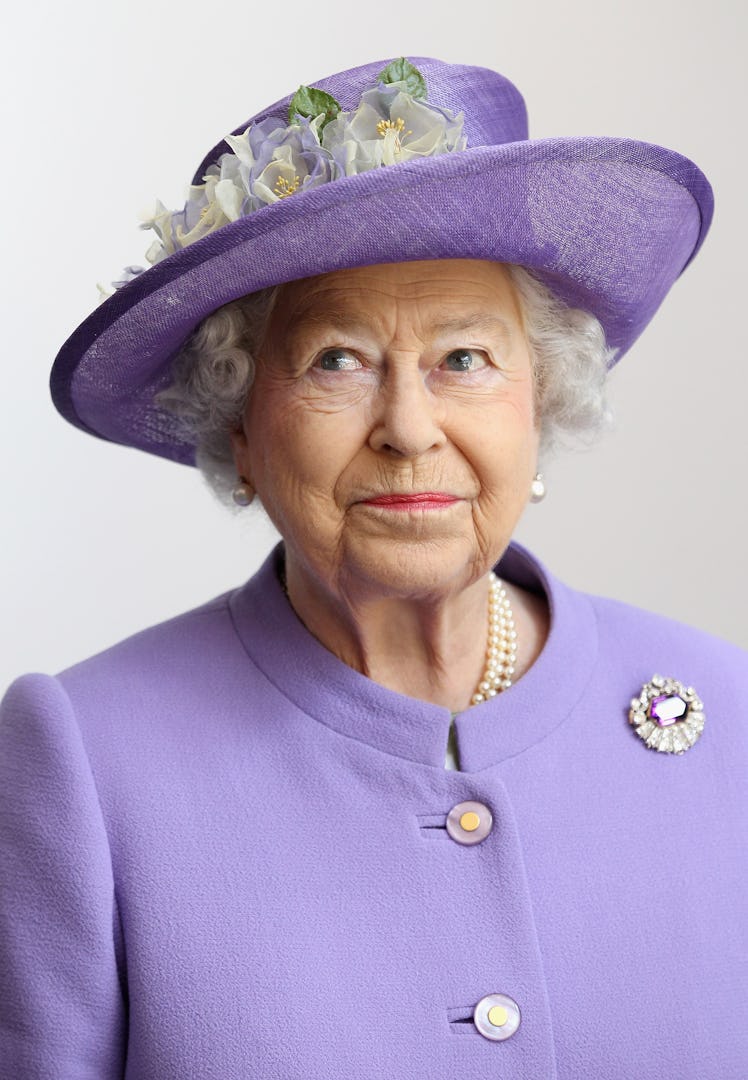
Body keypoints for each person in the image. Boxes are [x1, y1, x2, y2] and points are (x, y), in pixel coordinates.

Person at [1, 56, 745, 1080]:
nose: (407, 429)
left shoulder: (732, 715)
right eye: (336, 361)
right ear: (243, 432)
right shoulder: (82, 760)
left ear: (542, 400)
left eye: (465, 360)